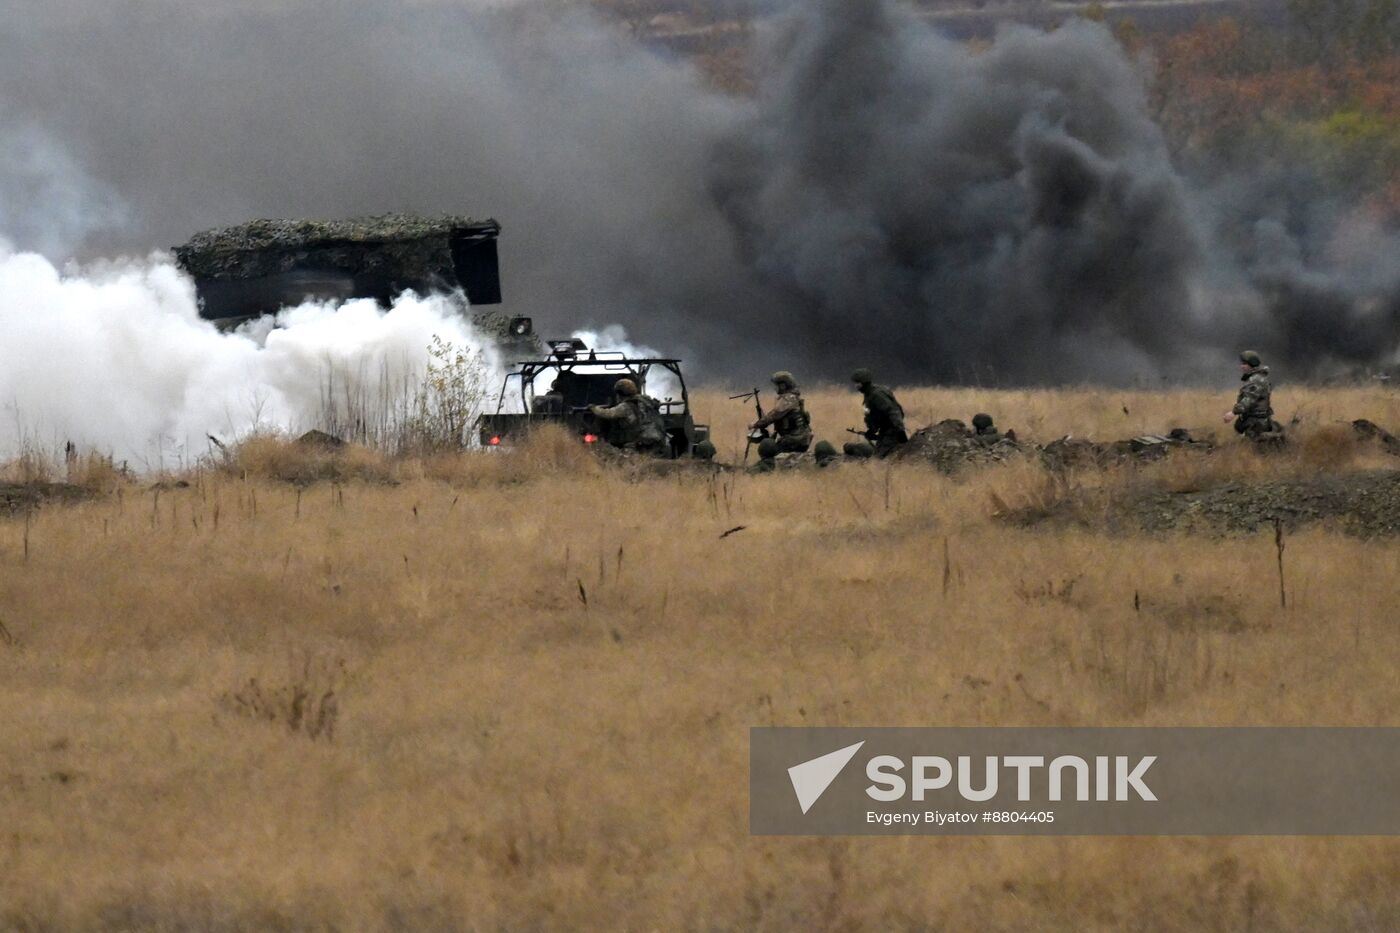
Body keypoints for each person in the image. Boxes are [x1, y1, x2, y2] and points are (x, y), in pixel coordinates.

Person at [589, 378, 668, 454]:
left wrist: (594, 408)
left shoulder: (626, 406)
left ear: (620, 394)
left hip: (641, 441)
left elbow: (608, 414)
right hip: (657, 438)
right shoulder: (646, 401)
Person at [844, 368, 907, 458]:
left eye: (858, 383)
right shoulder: (869, 394)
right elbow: (874, 415)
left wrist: (901, 431)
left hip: (891, 430)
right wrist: (871, 431)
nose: (856, 386)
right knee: (881, 455)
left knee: (879, 459)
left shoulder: (877, 395)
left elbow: (893, 411)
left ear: (864, 383)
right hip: (885, 431)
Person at [750, 371, 812, 455]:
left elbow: (773, 415)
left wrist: (755, 425)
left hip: (794, 439)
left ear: (783, 386)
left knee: (768, 451)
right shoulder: (793, 397)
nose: (775, 388)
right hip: (800, 438)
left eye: (776, 385)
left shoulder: (788, 399)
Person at [1222, 351, 1280, 439]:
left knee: (1247, 447)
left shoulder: (1256, 380)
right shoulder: (1257, 378)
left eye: (1244, 364)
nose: (1241, 366)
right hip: (1254, 420)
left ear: (1252, 364)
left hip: (1256, 422)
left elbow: (1249, 399)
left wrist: (1233, 413)